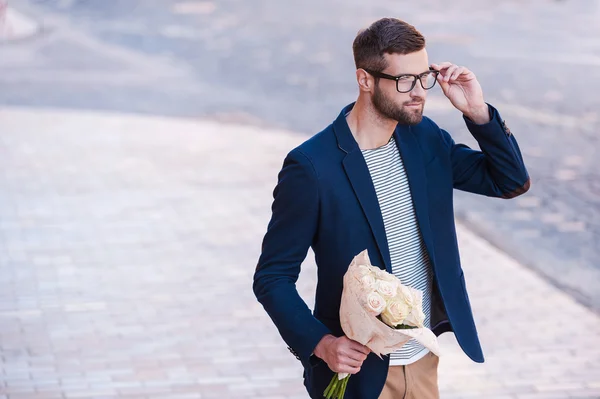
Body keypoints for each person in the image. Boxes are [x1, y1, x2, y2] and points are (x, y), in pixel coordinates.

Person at [253, 17, 530, 399]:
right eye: (404, 81)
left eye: (424, 77)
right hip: (358, 375)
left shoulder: (425, 138)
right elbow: (272, 277)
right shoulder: (313, 167)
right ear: (365, 80)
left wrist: (478, 112)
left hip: (422, 361)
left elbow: (509, 181)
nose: (418, 92)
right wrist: (321, 344)